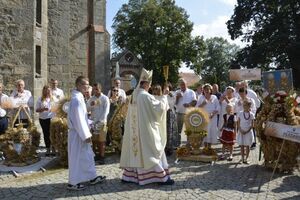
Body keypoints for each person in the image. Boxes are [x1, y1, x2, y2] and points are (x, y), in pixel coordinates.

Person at [120, 69, 174, 185]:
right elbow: (158, 109)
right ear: (145, 83)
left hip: (135, 131)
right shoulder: (145, 96)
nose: (150, 86)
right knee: (153, 151)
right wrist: (164, 95)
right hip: (145, 131)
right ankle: (160, 177)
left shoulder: (134, 95)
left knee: (136, 153)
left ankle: (129, 177)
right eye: (149, 83)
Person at [67, 76, 106, 190]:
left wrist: (90, 123)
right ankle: (73, 183)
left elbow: (82, 117)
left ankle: (92, 177)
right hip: (78, 134)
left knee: (87, 156)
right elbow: (78, 119)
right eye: (85, 85)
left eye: (88, 85)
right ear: (78, 85)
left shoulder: (79, 98)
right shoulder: (76, 100)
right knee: (77, 157)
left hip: (80, 133)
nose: (88, 87)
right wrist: (86, 135)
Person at [87, 83, 110, 164]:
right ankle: (95, 155)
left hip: (102, 122)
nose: (95, 91)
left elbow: (106, 111)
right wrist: (91, 105)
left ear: (100, 89)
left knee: (102, 140)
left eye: (96, 89)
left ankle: (102, 156)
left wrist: (101, 121)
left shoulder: (105, 98)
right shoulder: (91, 99)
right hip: (93, 122)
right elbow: (87, 109)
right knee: (94, 140)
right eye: (94, 89)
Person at [175, 78, 197, 147]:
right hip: (179, 113)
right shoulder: (177, 92)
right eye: (181, 84)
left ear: (186, 84)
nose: (182, 86)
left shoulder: (191, 92)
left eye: (183, 84)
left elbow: (195, 101)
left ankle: (188, 143)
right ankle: (178, 143)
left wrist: (189, 104)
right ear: (179, 85)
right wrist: (177, 98)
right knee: (178, 129)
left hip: (188, 113)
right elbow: (174, 103)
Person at [197, 84, 220, 149]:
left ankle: (209, 148)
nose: (207, 90)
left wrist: (213, 114)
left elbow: (218, 107)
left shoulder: (214, 97)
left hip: (213, 117)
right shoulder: (200, 97)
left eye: (208, 89)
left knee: (211, 131)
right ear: (203, 90)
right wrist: (202, 104)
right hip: (204, 117)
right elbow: (197, 108)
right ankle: (205, 147)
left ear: (210, 90)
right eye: (205, 89)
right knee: (205, 131)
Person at [36, 85, 55, 156]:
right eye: (46, 90)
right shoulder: (40, 99)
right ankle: (48, 149)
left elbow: (58, 107)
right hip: (43, 119)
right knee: (46, 134)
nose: (47, 91)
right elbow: (37, 110)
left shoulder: (54, 98)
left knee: (52, 133)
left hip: (52, 118)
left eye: (49, 90)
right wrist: (43, 109)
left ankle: (53, 148)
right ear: (44, 91)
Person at [237, 100, 255, 164]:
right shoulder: (240, 113)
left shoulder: (251, 114)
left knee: (247, 145)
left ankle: (246, 158)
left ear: (249, 106)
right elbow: (238, 123)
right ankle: (242, 158)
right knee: (242, 145)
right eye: (244, 105)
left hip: (248, 131)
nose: (245, 107)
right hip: (241, 131)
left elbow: (252, 125)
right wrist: (240, 130)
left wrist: (247, 131)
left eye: (247, 105)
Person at [163, 83, 178, 156]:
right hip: (163, 115)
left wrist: (167, 94)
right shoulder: (162, 94)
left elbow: (171, 104)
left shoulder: (172, 94)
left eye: (167, 87)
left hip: (170, 114)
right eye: (165, 87)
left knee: (170, 131)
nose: (166, 89)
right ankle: (164, 147)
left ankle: (170, 148)